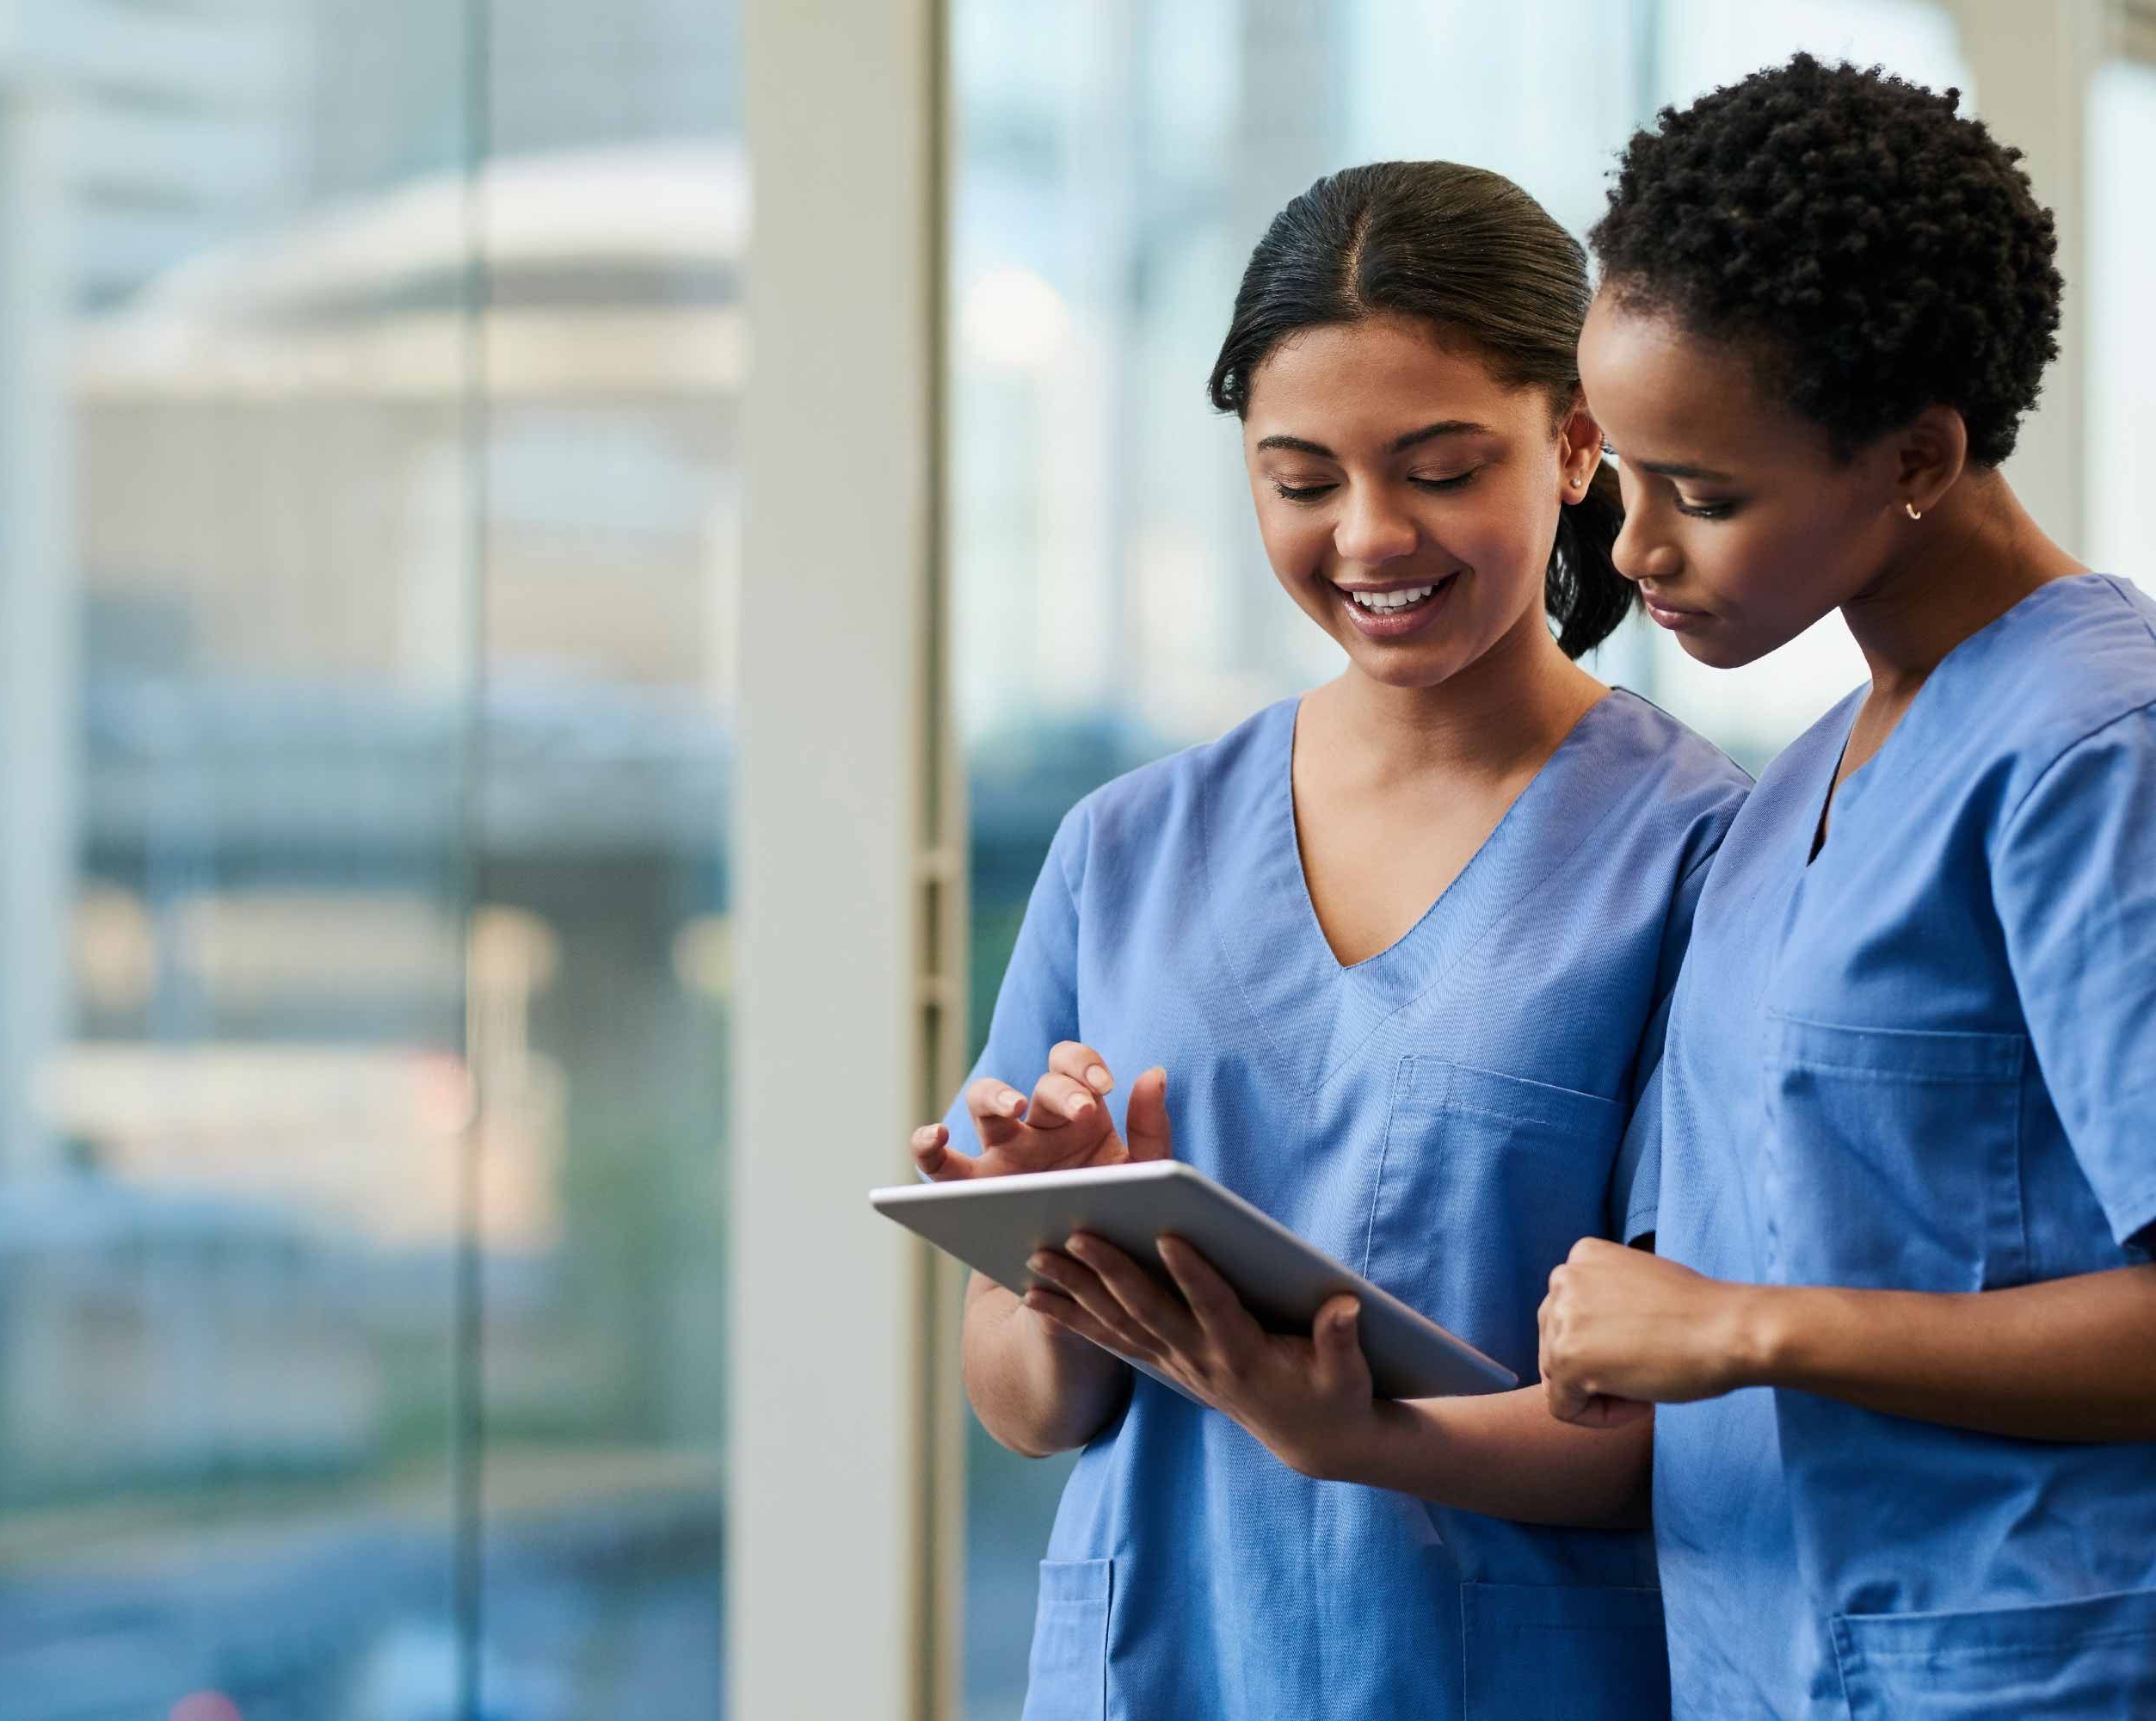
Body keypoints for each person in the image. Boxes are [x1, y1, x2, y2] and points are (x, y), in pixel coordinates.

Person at [909, 160, 1747, 1720]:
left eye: (1439, 468)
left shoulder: (1698, 857)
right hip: (1160, 1666)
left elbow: (1699, 1422)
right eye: (1301, 482)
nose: (1369, 537)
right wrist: (1053, 1267)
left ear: (1574, 447)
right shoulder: (1127, 847)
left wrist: (1363, 1438)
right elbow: (1028, 1412)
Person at [1539, 56, 2156, 1718]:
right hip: (1763, 1663)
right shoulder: (1791, 792)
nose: (1636, 550)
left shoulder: (2099, 753)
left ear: (1915, 454)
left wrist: (1749, 1330)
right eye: (1623, 471)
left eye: (1709, 494)